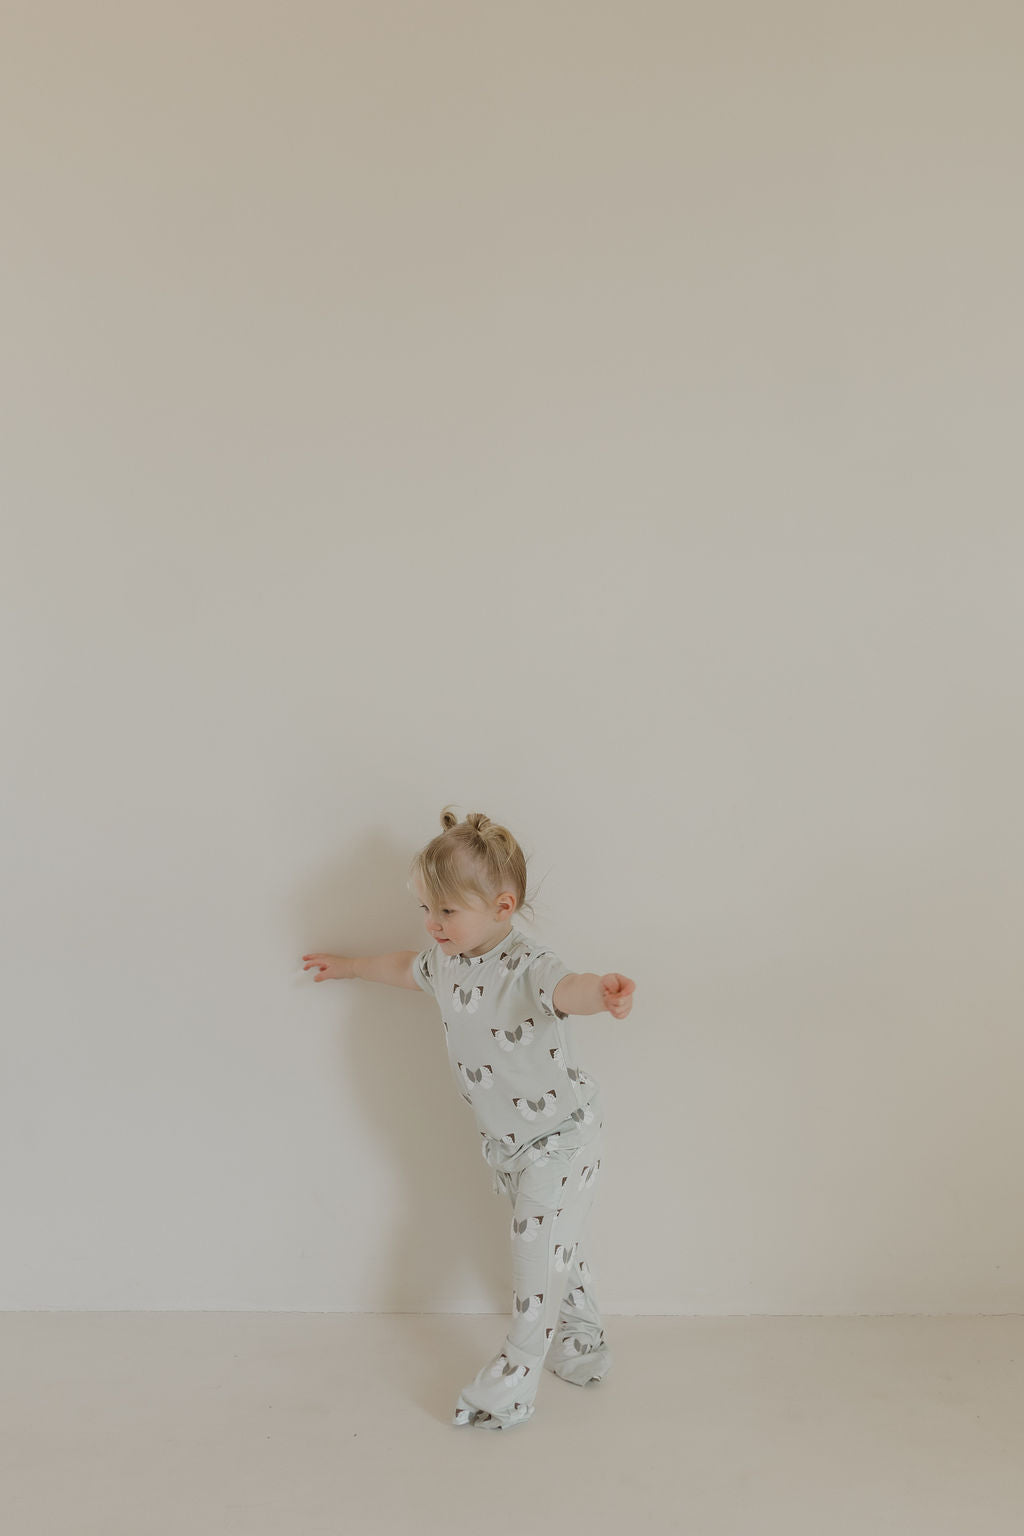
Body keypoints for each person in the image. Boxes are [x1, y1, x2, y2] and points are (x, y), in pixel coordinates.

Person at [302, 806, 636, 1431]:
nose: (433, 925)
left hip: (561, 1136)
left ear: (502, 907)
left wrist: (603, 994)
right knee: (560, 1244)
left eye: (447, 912)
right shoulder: (445, 962)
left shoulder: (528, 966)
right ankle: (584, 1338)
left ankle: (512, 1380)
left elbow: (569, 989)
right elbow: (403, 967)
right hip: (508, 1146)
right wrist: (349, 966)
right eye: (427, 910)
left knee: (534, 1254)